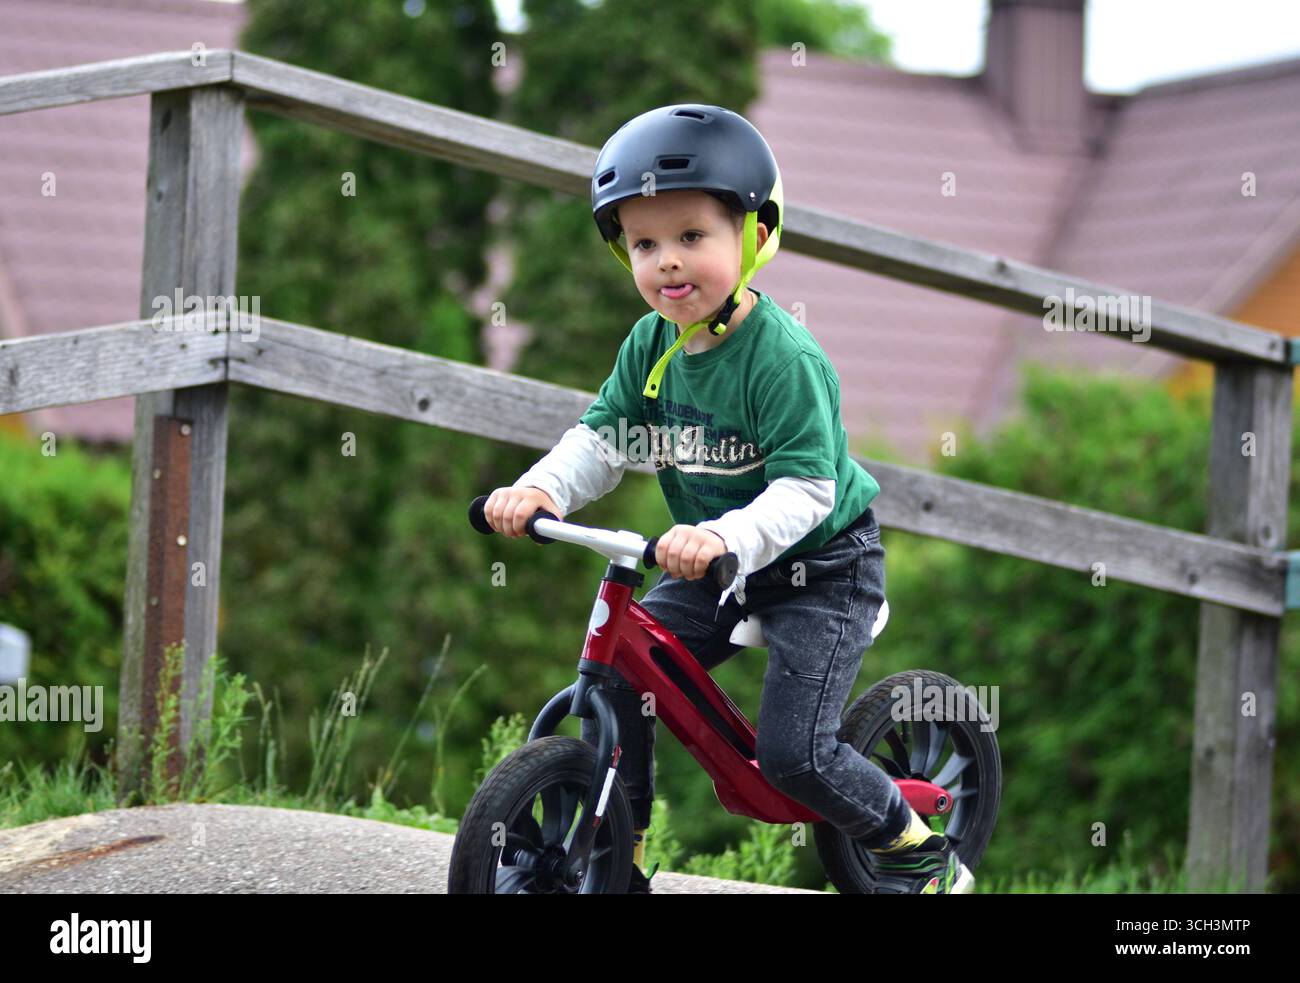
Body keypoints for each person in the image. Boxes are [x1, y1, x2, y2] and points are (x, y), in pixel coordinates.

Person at [485, 104, 972, 895]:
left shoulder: (782, 358)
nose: (668, 263)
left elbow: (808, 489)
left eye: (691, 237)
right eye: (645, 244)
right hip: (722, 557)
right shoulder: (650, 343)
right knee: (620, 676)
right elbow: (604, 440)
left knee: (795, 756)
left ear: (753, 234)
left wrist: (724, 538)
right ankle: (622, 857)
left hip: (824, 564)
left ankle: (918, 847)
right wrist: (540, 486)